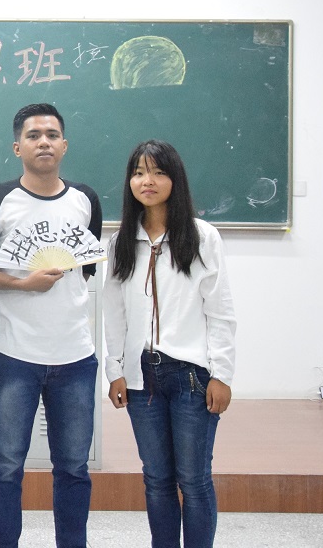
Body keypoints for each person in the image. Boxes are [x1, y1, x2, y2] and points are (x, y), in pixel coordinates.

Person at [0, 103, 102, 548]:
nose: (43, 142)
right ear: (18, 147)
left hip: (76, 356)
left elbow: (85, 267)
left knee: (73, 468)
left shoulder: (85, 199)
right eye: (33, 135)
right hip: (13, 354)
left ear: (64, 144)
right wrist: (23, 283)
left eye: (51, 135)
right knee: (5, 467)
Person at [104, 140, 237, 548]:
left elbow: (221, 312)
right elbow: (114, 312)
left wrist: (222, 374)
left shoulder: (202, 237)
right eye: (139, 173)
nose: (148, 181)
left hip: (191, 376)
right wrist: (114, 369)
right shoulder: (121, 241)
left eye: (159, 172)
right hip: (141, 376)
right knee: (157, 479)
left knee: (193, 480)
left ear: (175, 179)